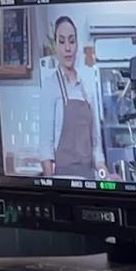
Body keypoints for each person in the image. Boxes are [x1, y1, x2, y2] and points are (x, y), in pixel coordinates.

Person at [39, 15, 108, 181]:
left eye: (71, 41)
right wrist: (51, 186)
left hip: (89, 181)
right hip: (63, 182)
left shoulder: (87, 87)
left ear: (77, 44)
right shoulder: (50, 86)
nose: (67, 48)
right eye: (62, 42)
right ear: (56, 46)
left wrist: (106, 177)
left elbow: (96, 147)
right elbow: (46, 147)